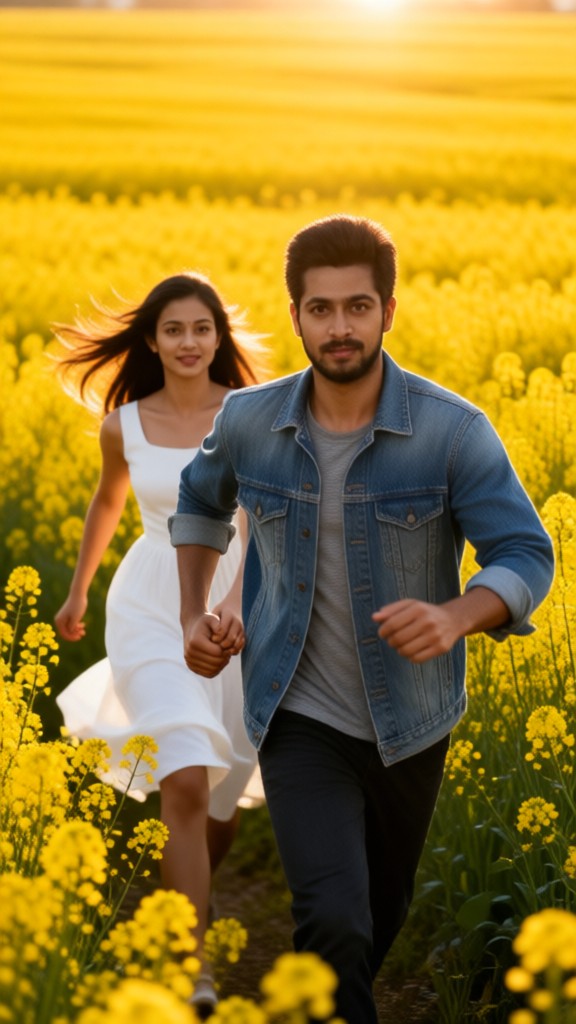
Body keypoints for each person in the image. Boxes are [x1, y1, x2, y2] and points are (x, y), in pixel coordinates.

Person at [168, 215, 555, 1024]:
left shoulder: (452, 432)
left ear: (388, 310)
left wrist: (457, 616)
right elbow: (200, 505)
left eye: (356, 307)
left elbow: (525, 552)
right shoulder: (249, 422)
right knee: (334, 921)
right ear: (296, 314)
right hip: (295, 714)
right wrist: (194, 614)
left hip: (411, 721)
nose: (338, 328)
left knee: (373, 921)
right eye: (320, 310)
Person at [54, 271, 265, 1018]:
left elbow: (256, 520)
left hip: (235, 597)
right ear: (151, 340)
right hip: (148, 602)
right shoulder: (124, 424)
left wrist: (235, 603)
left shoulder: (247, 415)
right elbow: (108, 500)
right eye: (173, 330)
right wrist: (79, 590)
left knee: (221, 795)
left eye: (201, 328)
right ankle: (194, 969)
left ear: (219, 338)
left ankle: (180, 892)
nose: (188, 342)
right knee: (183, 773)